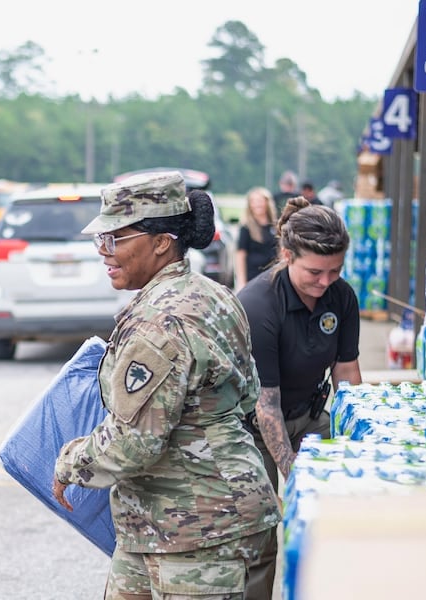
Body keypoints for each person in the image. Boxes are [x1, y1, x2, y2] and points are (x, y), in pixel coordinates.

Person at [52, 171, 280, 600]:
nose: (105, 252)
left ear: (162, 241)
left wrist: (69, 462)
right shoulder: (214, 294)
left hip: (200, 530)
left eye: (116, 238)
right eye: (101, 240)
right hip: (164, 523)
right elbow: (247, 392)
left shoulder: (159, 321)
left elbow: (133, 444)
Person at [235, 197, 363, 599]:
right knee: (260, 533)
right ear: (287, 255)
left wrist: (358, 436)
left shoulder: (341, 297)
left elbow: (347, 374)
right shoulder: (258, 306)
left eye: (335, 271)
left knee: (343, 506)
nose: (326, 282)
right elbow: (265, 405)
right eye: (315, 272)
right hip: (253, 429)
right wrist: (293, 472)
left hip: (309, 416)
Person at [234, 186, 279, 291]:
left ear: (267, 202)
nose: (257, 204)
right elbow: (240, 255)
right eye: (253, 201)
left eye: (259, 201)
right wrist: (241, 281)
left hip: (272, 277)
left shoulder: (275, 226)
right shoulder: (246, 228)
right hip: (253, 277)